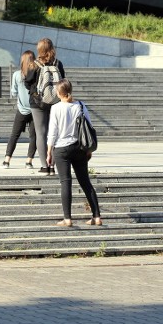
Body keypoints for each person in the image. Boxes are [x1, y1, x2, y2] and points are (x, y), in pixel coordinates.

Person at [47, 78, 101, 227]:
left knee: (66, 183)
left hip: (62, 149)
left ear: (59, 92)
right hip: (79, 148)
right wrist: (89, 150)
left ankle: (67, 219)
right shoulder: (81, 106)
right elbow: (89, 127)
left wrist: (49, 151)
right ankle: (96, 217)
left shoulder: (56, 108)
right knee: (85, 182)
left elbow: (52, 131)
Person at [24, 37, 65, 174]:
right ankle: (53, 165)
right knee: (53, 133)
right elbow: (62, 81)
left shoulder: (34, 64)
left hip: (38, 103)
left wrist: (33, 90)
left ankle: (44, 166)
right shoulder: (58, 64)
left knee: (40, 133)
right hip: (55, 102)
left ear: (39, 49)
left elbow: (27, 82)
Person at [2, 50, 37, 169]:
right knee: (34, 137)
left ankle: (7, 160)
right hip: (35, 110)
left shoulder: (17, 75)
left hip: (22, 109)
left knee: (14, 135)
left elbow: (13, 92)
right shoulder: (37, 74)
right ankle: (29, 161)